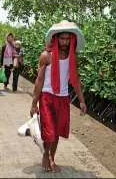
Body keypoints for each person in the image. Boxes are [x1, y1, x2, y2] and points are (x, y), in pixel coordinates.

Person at [28, 21, 87, 172]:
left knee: (58, 131)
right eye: (62, 39)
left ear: (72, 39)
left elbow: (76, 79)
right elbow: (39, 80)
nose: (65, 42)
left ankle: (52, 157)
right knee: (50, 131)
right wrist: (34, 103)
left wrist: (81, 100)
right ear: (56, 38)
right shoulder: (46, 56)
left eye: (68, 39)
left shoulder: (73, 57)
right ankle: (45, 155)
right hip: (47, 97)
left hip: (63, 97)